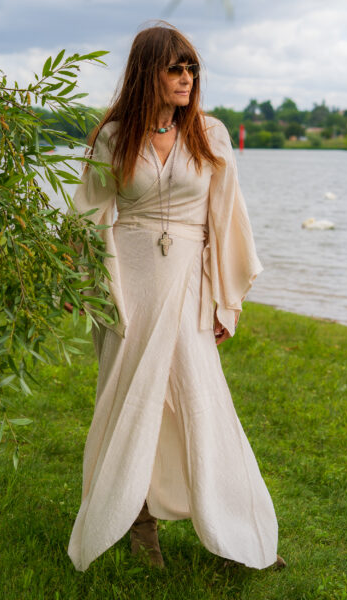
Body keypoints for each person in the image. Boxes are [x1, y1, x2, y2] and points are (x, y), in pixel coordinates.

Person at [66, 22, 286, 572]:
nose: (187, 77)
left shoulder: (209, 134)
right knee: (130, 401)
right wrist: (74, 279)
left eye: (191, 68)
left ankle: (232, 531)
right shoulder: (114, 137)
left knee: (202, 401)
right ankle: (140, 526)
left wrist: (225, 298)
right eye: (175, 68)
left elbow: (227, 218)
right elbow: (88, 212)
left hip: (188, 281)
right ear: (149, 73)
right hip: (129, 286)